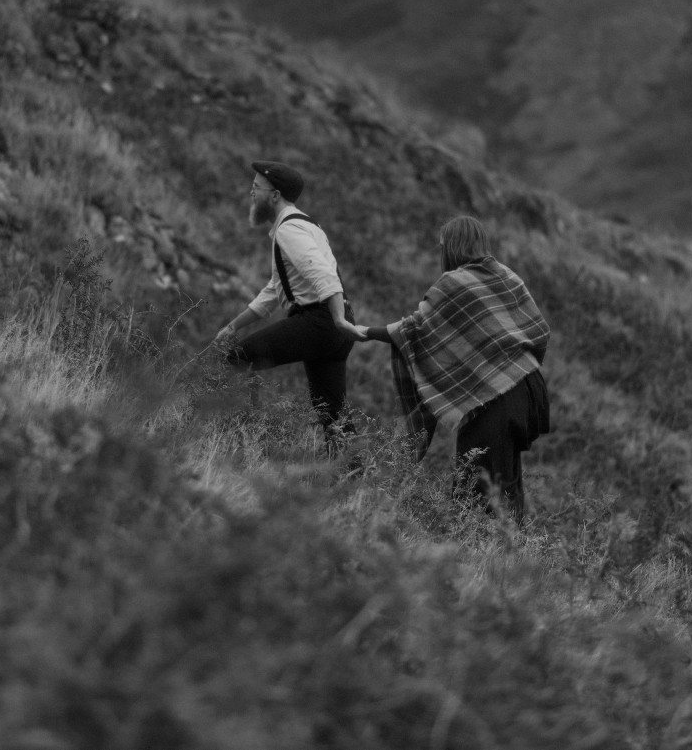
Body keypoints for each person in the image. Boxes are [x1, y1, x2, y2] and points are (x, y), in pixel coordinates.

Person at [343, 216, 550, 518]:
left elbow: (416, 328)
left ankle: (483, 559)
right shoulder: (507, 276)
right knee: (506, 485)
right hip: (529, 391)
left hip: (496, 400)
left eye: (442, 247)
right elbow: (539, 330)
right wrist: (505, 360)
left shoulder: (454, 283)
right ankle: (518, 557)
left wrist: (366, 332)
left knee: (475, 491)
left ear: (452, 247)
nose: (440, 254)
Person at [214, 160, 355, 432]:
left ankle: (241, 432)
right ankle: (355, 472)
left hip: (322, 322)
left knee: (234, 360)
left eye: (257, 187)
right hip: (334, 328)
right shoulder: (304, 225)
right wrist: (233, 326)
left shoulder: (289, 230)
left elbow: (324, 275)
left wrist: (337, 319)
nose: (251, 193)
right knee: (332, 416)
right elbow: (273, 290)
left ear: (275, 195)